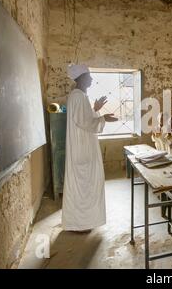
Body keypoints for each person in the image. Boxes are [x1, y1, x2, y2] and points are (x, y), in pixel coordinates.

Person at [62, 64, 118, 232]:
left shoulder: (80, 96)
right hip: (82, 149)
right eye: (89, 76)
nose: (91, 79)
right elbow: (85, 122)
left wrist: (95, 109)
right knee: (84, 185)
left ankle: (83, 222)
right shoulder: (78, 96)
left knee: (85, 185)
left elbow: (84, 118)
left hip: (83, 146)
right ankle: (81, 224)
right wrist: (103, 119)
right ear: (81, 78)